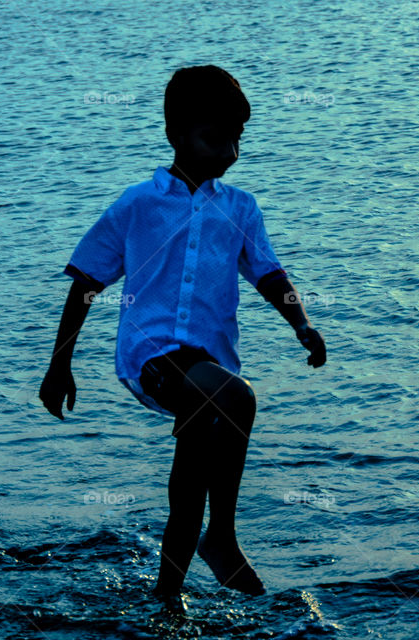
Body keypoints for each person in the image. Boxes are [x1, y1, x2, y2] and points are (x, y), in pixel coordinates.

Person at [39, 65, 327, 614]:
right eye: (214, 138)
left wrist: (302, 324)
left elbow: (270, 274)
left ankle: (167, 598)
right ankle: (221, 537)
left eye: (237, 139)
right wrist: (59, 365)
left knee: (193, 462)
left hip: (207, 362)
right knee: (237, 396)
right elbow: (85, 283)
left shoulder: (239, 207)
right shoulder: (137, 205)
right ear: (176, 134)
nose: (229, 152)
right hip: (150, 356)